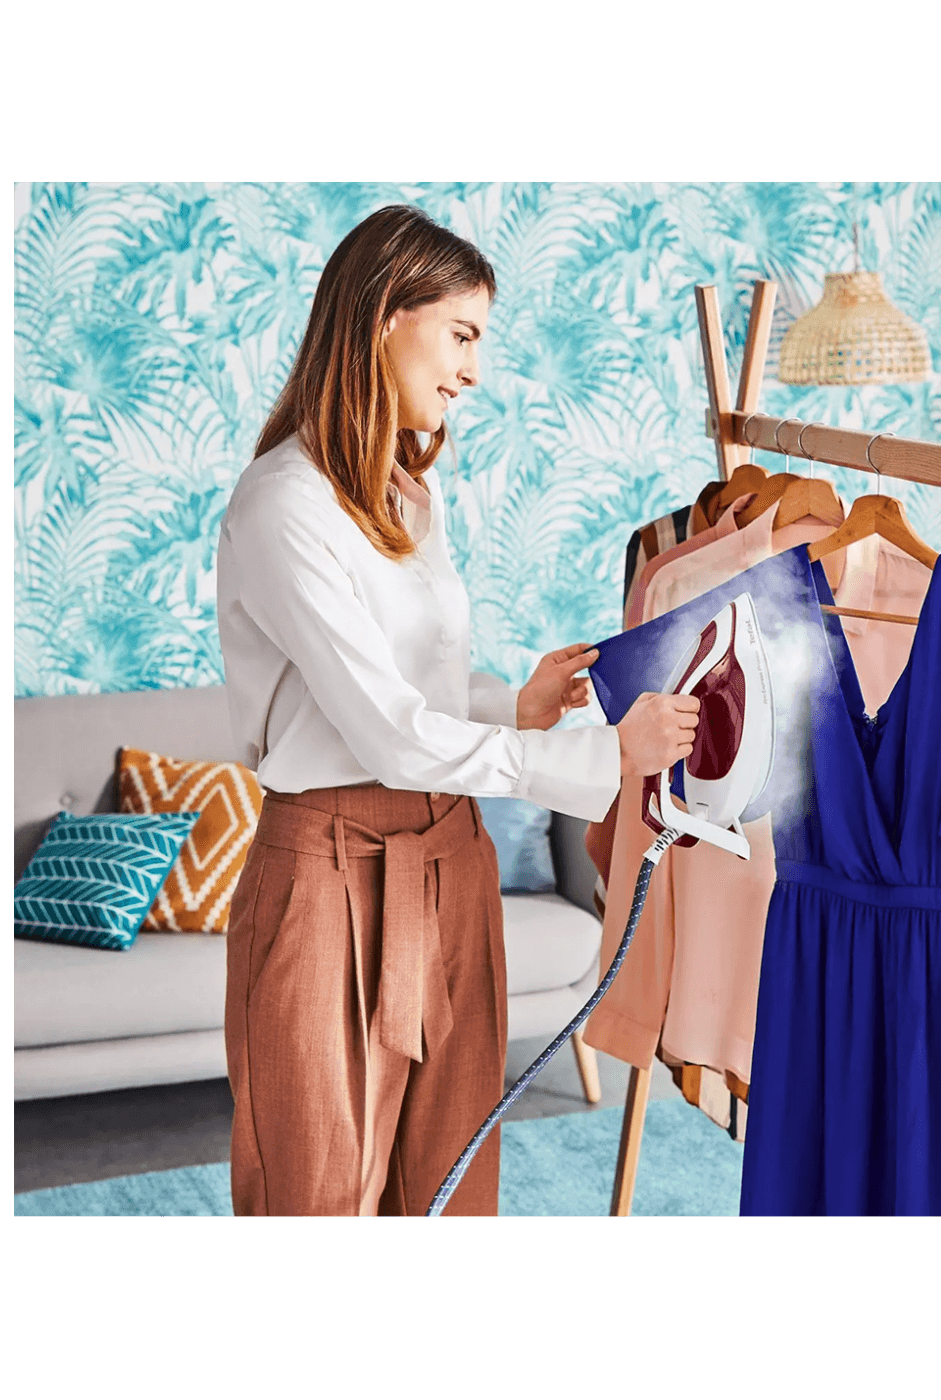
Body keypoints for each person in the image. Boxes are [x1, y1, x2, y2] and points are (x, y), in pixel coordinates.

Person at [215, 204, 698, 1216]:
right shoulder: (281, 505)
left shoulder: (405, 496)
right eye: (462, 334)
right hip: (327, 878)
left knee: (453, 1177)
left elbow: (409, 688)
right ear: (385, 315)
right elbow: (387, 733)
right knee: (314, 1188)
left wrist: (513, 705)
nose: (473, 371)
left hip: (450, 859)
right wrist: (602, 755)